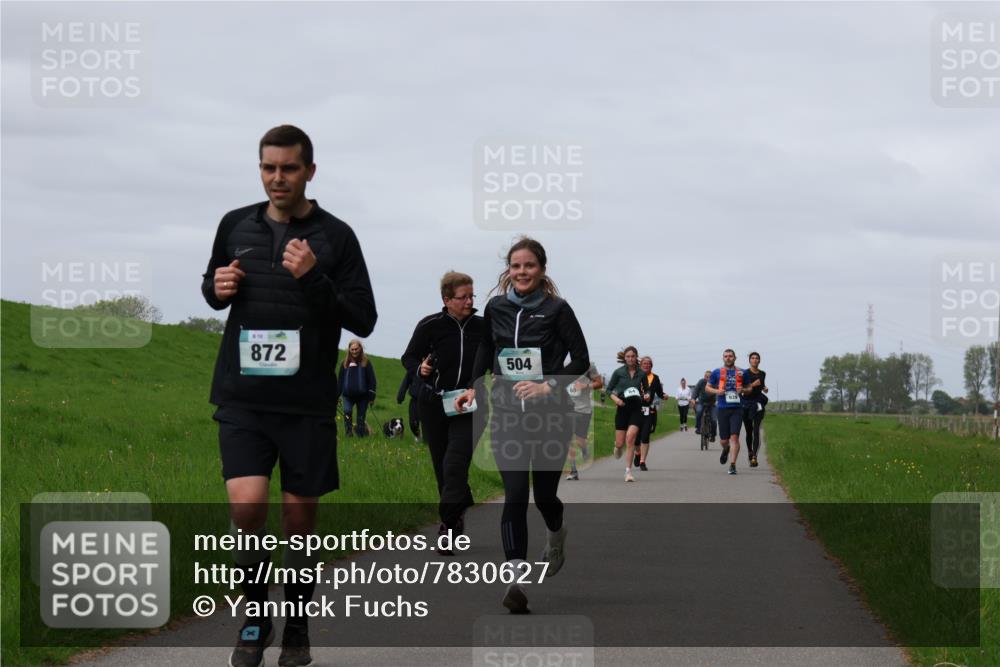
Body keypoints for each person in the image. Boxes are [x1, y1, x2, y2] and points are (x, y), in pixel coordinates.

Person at [201, 125, 377, 667]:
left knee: (299, 524)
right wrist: (215, 289)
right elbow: (212, 286)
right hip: (243, 397)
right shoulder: (235, 225)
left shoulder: (337, 237)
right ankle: (255, 619)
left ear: (310, 172)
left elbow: (364, 320)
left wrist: (313, 277)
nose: (278, 178)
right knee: (246, 506)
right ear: (260, 169)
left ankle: (297, 625)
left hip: (306, 404)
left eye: (289, 168)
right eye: (268, 168)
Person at [455, 237, 589, 614]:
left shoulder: (558, 310)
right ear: (508, 270)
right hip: (509, 413)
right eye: (516, 266)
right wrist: (473, 384)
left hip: (551, 416)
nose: (522, 272)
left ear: (542, 270)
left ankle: (556, 534)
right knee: (515, 493)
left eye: (529, 266)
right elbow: (486, 350)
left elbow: (580, 358)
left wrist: (548, 385)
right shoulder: (496, 307)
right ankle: (515, 577)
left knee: (544, 496)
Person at [401, 271, 485, 555]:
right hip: (434, 405)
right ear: (447, 299)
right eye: (463, 297)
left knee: (454, 463)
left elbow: (496, 358)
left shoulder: (482, 327)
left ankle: (447, 527)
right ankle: (457, 506)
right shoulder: (430, 325)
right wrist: (419, 369)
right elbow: (408, 357)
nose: (470, 301)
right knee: (442, 468)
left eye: (472, 295)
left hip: (469, 404)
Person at [606, 346, 644, 482]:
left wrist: (647, 396)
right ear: (624, 358)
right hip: (622, 407)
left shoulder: (642, 374)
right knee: (620, 443)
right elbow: (608, 389)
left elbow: (647, 390)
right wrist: (616, 399)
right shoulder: (618, 372)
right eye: (628, 356)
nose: (630, 359)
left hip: (636, 408)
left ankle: (628, 472)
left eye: (633, 356)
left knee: (630, 438)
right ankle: (617, 446)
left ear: (636, 357)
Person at [706, 349, 746, 475]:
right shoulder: (717, 372)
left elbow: (750, 388)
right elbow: (707, 388)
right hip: (722, 408)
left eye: (730, 356)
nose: (728, 358)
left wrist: (743, 389)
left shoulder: (742, 372)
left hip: (737, 408)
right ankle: (726, 448)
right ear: (723, 358)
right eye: (726, 356)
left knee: (734, 437)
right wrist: (717, 392)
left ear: (735, 357)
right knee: (724, 440)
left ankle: (733, 465)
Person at [565, 362, 603, 481]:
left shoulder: (589, 365)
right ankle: (573, 471)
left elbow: (599, 383)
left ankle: (585, 451)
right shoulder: (562, 364)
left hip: (583, 409)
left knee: (580, 441)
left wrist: (585, 386)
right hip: (566, 410)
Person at [338, 339, 376, 437]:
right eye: (352, 349)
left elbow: (372, 380)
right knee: (347, 411)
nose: (354, 351)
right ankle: (348, 434)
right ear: (349, 350)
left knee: (360, 418)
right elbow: (340, 381)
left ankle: (361, 436)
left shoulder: (366, 363)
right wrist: (336, 396)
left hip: (363, 397)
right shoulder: (344, 363)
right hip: (347, 396)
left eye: (356, 349)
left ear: (360, 349)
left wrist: (371, 397)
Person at [636, 356, 668, 471]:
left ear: (651, 365)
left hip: (649, 410)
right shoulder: (636, 376)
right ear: (641, 365)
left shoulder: (655, 378)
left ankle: (642, 461)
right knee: (635, 437)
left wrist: (664, 395)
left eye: (648, 363)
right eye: (644, 363)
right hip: (636, 409)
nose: (646, 365)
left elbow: (659, 392)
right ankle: (637, 452)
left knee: (645, 436)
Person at [741, 351, 769, 468]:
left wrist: (765, 388)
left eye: (757, 358)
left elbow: (762, 385)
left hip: (758, 403)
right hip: (746, 403)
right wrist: (752, 385)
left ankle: (754, 457)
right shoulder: (744, 373)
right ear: (749, 360)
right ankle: (750, 452)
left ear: (759, 360)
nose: (755, 360)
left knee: (756, 430)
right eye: (753, 358)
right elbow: (741, 389)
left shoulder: (763, 373)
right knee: (749, 431)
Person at [396, 369, 422, 442]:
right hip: (414, 400)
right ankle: (418, 436)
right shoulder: (413, 366)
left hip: (428, 401)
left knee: (427, 424)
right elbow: (405, 382)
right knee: (413, 423)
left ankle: (426, 442)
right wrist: (400, 397)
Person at [692, 370, 717, 442]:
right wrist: (693, 399)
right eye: (706, 377)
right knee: (699, 412)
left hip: (712, 404)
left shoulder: (715, 383)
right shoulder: (701, 382)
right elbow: (696, 390)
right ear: (704, 377)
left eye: (710, 377)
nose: (708, 378)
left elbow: (719, 391)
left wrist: (718, 400)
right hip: (701, 402)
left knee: (714, 420)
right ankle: (698, 428)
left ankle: (713, 435)